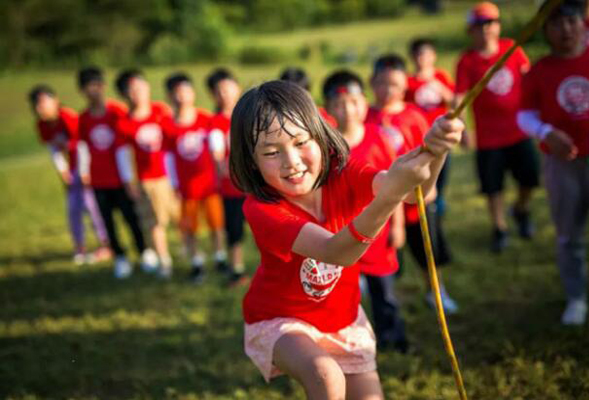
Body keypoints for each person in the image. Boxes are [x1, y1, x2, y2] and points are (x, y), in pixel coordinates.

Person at [230, 80, 463, 398]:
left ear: (320, 134)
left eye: (301, 142)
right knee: (325, 375)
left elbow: (414, 192)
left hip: (344, 318)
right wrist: (388, 198)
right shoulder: (261, 208)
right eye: (272, 152)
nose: (292, 161)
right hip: (280, 319)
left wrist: (436, 151)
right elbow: (336, 251)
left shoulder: (342, 171)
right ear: (251, 161)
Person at [517, 0, 589, 326]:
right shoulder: (539, 70)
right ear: (545, 29)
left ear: (582, 23)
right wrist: (546, 132)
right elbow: (524, 114)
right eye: (556, 24)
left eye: (571, 21)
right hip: (561, 164)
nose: (565, 30)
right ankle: (577, 297)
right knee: (569, 235)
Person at [323, 70, 409, 352]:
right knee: (344, 294)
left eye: (355, 102)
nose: (348, 109)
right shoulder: (328, 148)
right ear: (329, 108)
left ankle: (392, 337)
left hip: (379, 232)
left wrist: (397, 226)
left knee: (384, 290)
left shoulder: (378, 138)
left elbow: (393, 189)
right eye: (340, 104)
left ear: (364, 102)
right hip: (343, 234)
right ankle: (350, 341)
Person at [366, 53, 458, 314]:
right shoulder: (366, 116)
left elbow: (430, 154)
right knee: (383, 249)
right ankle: (385, 296)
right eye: (382, 83)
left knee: (428, 249)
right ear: (372, 82)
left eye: (394, 84)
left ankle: (436, 289)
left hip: (416, 199)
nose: (387, 90)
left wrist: (431, 185)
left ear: (405, 85)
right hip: (382, 198)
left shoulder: (415, 116)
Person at [455, 1, 540, 253]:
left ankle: (521, 210)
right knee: (493, 187)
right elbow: (459, 97)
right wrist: (463, 128)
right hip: (489, 137)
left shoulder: (511, 49)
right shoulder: (467, 61)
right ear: (471, 30)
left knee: (530, 178)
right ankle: (500, 227)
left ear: (498, 26)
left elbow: (529, 79)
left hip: (519, 131)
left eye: (491, 23)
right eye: (479, 24)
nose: (486, 29)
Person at [77, 67, 157, 279]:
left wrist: (129, 177)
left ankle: (144, 251)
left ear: (103, 87)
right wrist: (84, 171)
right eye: (88, 88)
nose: (93, 91)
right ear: (82, 91)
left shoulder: (117, 112)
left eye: (96, 86)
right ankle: (120, 257)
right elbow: (83, 145)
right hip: (98, 180)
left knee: (131, 217)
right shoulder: (84, 118)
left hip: (121, 179)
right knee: (107, 221)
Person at [28, 84, 110, 265]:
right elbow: (53, 148)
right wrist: (63, 171)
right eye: (36, 105)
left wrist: (84, 172)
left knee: (92, 206)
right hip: (72, 170)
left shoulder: (68, 117)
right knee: (73, 208)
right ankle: (79, 246)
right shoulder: (42, 125)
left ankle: (106, 245)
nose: (40, 108)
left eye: (44, 102)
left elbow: (82, 145)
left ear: (55, 100)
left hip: (86, 166)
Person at [163, 72, 227, 283]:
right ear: (170, 96)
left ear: (193, 93)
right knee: (190, 228)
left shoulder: (205, 119)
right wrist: (173, 183)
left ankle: (220, 257)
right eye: (177, 93)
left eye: (185, 91)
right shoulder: (169, 124)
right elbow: (169, 157)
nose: (181, 97)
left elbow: (216, 146)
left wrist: (219, 169)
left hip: (209, 184)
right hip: (186, 187)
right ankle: (196, 262)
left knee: (216, 224)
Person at [115, 69, 179, 278]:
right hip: (147, 181)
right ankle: (164, 260)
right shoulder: (125, 123)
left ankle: (189, 249)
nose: (138, 93)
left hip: (170, 177)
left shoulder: (161, 111)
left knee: (179, 216)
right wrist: (128, 183)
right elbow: (123, 155)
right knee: (154, 224)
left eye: (141, 87)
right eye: (132, 90)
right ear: (125, 95)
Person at [205, 68, 249, 285]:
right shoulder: (215, 123)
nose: (225, 94)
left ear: (237, 88)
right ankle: (236, 269)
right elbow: (219, 159)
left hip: (258, 186)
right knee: (234, 230)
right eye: (219, 91)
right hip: (233, 188)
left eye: (228, 88)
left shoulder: (249, 114)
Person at [407, 37, 456, 218]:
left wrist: (437, 86)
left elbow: (453, 100)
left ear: (433, 56)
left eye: (426, 54)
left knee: (442, 168)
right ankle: (427, 199)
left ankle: (439, 199)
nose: (422, 58)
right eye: (418, 54)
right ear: (412, 57)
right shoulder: (408, 82)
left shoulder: (441, 76)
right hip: (421, 137)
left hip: (442, 134)